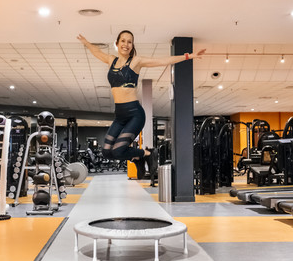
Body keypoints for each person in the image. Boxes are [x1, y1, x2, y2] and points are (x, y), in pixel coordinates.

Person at [77, 30, 206, 180]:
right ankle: (137, 158)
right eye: (123, 41)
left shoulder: (136, 62)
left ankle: (147, 154)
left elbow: (162, 61)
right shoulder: (111, 60)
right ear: (117, 43)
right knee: (106, 152)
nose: (126, 44)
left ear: (132, 45)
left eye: (129, 42)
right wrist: (86, 43)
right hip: (119, 116)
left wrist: (188, 56)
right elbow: (97, 51)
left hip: (134, 114)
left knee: (118, 152)